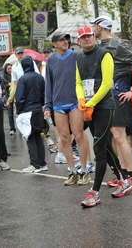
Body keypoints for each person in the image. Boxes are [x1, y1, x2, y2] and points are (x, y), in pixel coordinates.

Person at [76, 26, 132, 208]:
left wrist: (91, 104)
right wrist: (81, 99)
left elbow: (108, 83)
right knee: (105, 145)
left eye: (89, 36)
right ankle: (124, 179)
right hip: (89, 107)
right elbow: (78, 82)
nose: (87, 39)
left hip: (104, 106)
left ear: (94, 36)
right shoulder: (79, 58)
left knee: (98, 149)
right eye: (83, 37)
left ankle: (94, 192)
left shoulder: (104, 54)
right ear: (78, 41)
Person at [90, 15, 132, 186]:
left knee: (120, 136)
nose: (93, 30)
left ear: (100, 27)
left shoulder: (119, 44)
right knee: (113, 136)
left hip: (119, 91)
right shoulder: (100, 46)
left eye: (94, 27)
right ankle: (122, 174)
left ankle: (130, 176)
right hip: (107, 93)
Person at [44, 32, 90, 186]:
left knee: (78, 135)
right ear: (54, 44)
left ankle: (84, 170)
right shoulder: (50, 61)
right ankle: (72, 171)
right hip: (58, 104)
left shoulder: (77, 56)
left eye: (66, 39)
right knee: (64, 138)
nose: (65, 42)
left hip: (75, 101)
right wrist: (47, 105)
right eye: (61, 40)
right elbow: (48, 84)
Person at [15, 56, 47, 173]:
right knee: (38, 136)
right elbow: (44, 94)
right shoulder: (40, 78)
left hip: (27, 111)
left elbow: (19, 98)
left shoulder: (23, 79)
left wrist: (19, 110)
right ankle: (42, 163)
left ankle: (34, 164)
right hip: (39, 110)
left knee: (30, 137)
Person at [1, 63, 16, 135]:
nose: (10, 70)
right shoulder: (3, 76)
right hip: (8, 96)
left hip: (16, 95)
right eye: (8, 69)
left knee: (19, 113)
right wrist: (8, 85)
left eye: (11, 68)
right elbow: (3, 86)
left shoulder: (15, 75)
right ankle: (12, 128)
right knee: (10, 113)